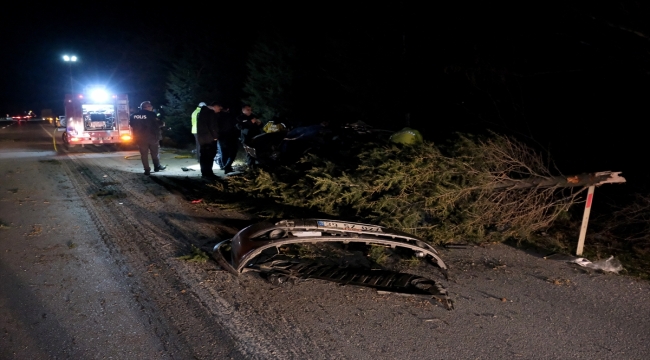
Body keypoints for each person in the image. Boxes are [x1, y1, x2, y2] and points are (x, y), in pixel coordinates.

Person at [129, 101, 166, 175]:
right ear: (147, 107)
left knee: (143, 155)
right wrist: (162, 123)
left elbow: (132, 124)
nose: (151, 107)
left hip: (140, 138)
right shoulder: (151, 114)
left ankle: (147, 170)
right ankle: (157, 167)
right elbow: (158, 124)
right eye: (150, 106)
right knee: (154, 153)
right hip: (152, 137)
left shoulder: (134, 115)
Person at [196, 102, 221, 179]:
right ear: (215, 106)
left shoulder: (202, 112)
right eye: (219, 108)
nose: (219, 110)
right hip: (209, 138)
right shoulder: (210, 113)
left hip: (202, 138)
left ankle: (205, 173)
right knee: (209, 156)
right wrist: (215, 136)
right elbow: (212, 126)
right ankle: (209, 173)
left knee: (204, 156)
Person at [215, 107, 239, 174]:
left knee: (224, 153)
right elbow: (235, 124)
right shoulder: (229, 116)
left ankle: (225, 166)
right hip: (230, 136)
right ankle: (227, 167)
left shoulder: (217, 116)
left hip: (221, 136)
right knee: (232, 153)